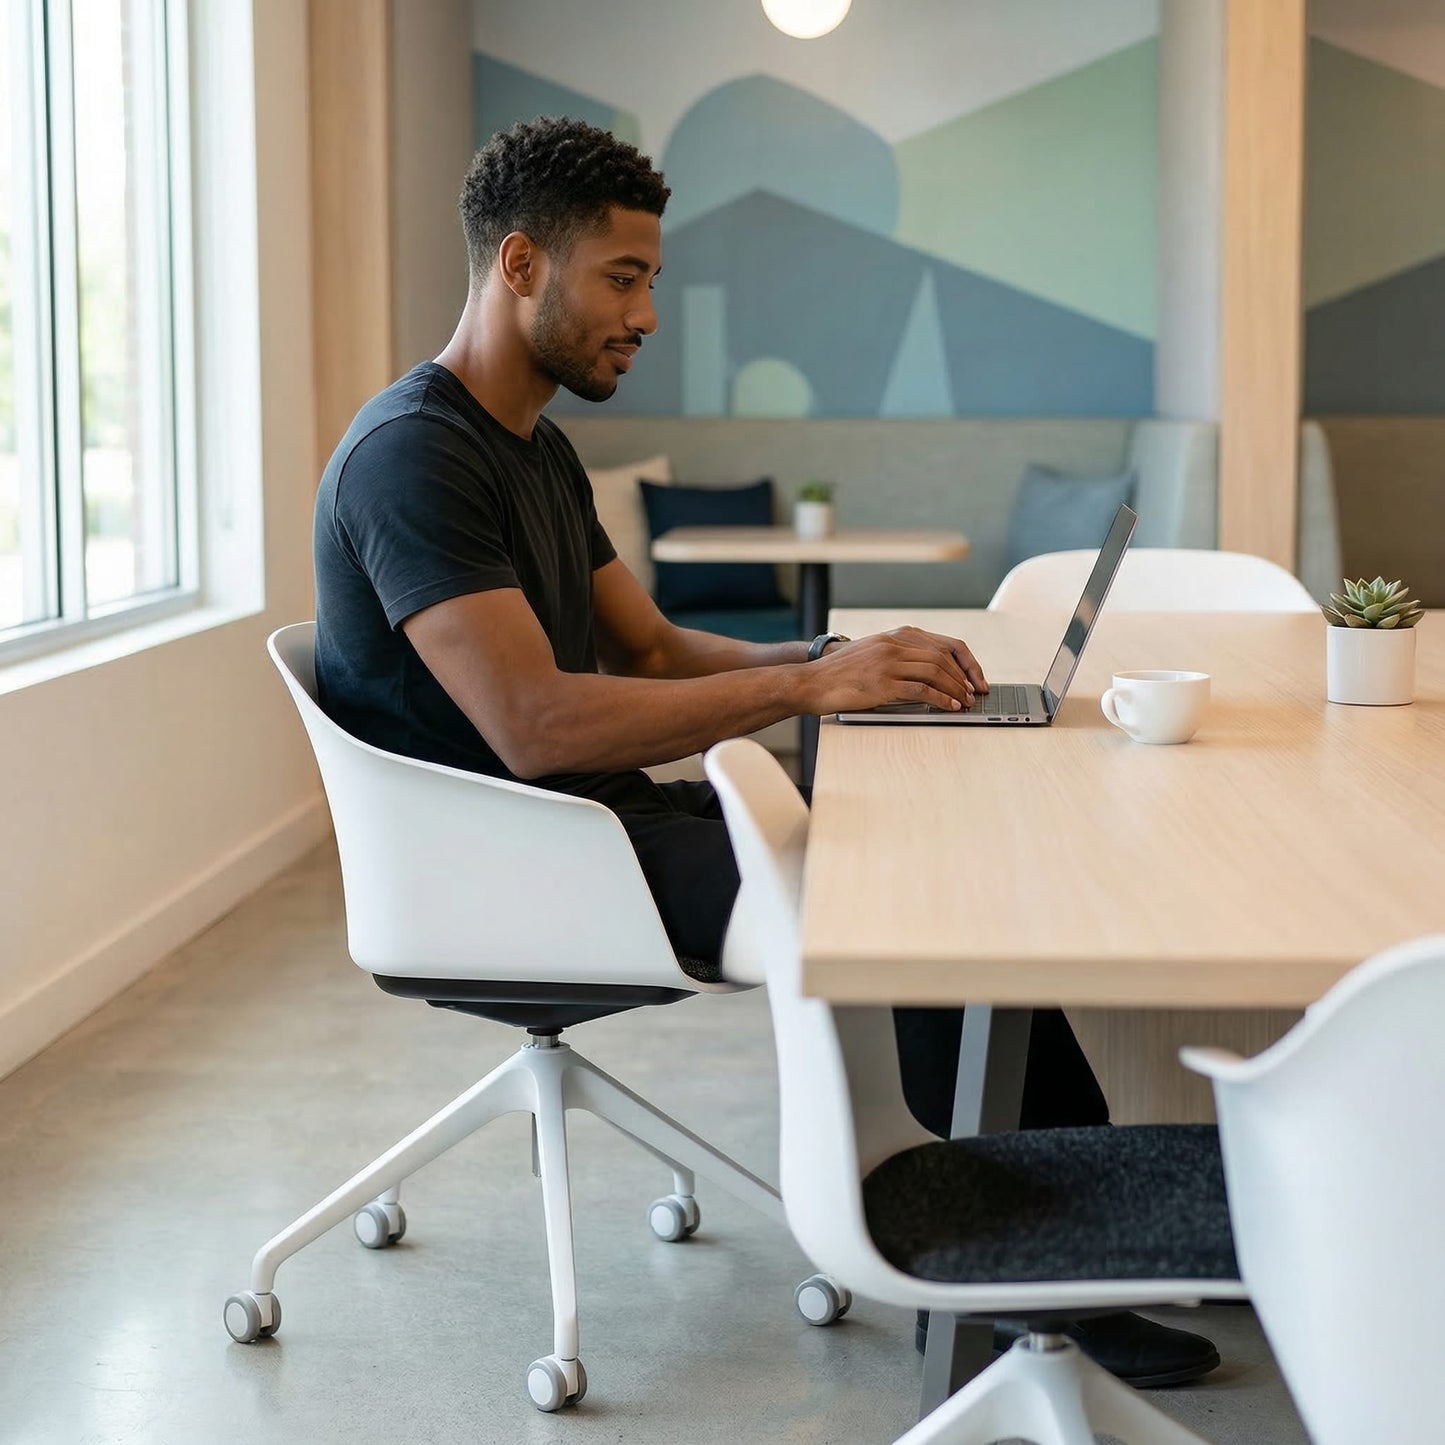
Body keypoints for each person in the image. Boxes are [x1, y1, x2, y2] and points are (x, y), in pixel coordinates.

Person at [311, 115, 1217, 1387]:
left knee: (933, 842)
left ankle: (1070, 1230)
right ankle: (1024, 1266)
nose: (646, 313)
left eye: (651, 281)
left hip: (595, 821)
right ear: (520, 265)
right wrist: (808, 683)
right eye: (621, 279)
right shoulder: (415, 456)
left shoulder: (535, 447)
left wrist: (841, 654)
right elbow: (537, 724)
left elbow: (652, 650)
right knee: (920, 893)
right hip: (522, 859)